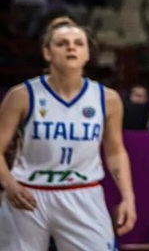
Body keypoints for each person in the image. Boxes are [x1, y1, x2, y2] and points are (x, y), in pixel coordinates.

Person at [0, 16, 137, 249]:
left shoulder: (107, 99)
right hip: (28, 195)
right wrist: (9, 184)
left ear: (87, 54)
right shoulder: (21, 95)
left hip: (83, 194)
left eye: (78, 43)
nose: (71, 47)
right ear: (47, 53)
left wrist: (128, 197)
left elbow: (115, 151)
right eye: (62, 43)